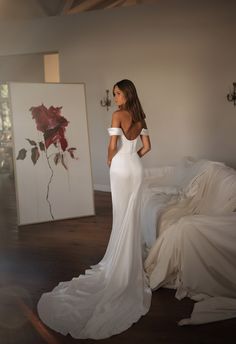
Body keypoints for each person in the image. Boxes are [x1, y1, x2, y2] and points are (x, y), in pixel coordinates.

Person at [37, 79, 152, 339]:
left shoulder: (117, 115)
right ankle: (129, 266)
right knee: (130, 218)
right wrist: (133, 159)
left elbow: (112, 147)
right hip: (136, 169)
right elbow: (147, 147)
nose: (115, 98)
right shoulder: (140, 116)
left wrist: (112, 160)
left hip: (122, 170)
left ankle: (118, 267)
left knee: (121, 215)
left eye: (118, 93)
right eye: (114, 94)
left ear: (126, 94)